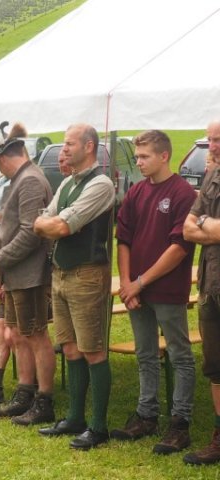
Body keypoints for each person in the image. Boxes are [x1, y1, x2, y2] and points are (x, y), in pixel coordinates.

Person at [111, 130, 196, 454]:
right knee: (146, 354)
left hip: (167, 290)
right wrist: (127, 283)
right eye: (138, 157)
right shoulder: (136, 192)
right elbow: (124, 239)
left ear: (164, 156)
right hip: (138, 291)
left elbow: (179, 248)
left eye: (145, 157)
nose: (140, 163)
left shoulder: (182, 193)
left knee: (179, 355)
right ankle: (146, 415)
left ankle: (180, 424)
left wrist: (140, 281)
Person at [0, 131, 56, 427]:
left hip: (30, 273)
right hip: (16, 271)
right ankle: (24, 394)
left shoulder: (29, 180)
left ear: (4, 158)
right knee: (17, 334)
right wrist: (0, 264)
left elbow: (31, 231)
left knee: (36, 335)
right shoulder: (22, 178)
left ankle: (43, 400)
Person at [33, 123, 115, 450]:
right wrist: (48, 224)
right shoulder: (67, 182)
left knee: (93, 348)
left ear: (89, 146)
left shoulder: (101, 184)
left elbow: (61, 225)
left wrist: (49, 224)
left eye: (69, 144)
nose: (63, 150)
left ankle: (98, 426)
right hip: (62, 273)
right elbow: (44, 220)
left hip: (87, 274)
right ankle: (76, 417)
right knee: (69, 346)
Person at [182, 120, 220, 465]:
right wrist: (211, 226)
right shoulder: (212, 176)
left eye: (218, 140)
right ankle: (219, 437)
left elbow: (200, 225)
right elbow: (188, 228)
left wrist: (205, 224)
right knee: (215, 364)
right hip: (212, 286)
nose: (213, 147)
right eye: (209, 141)